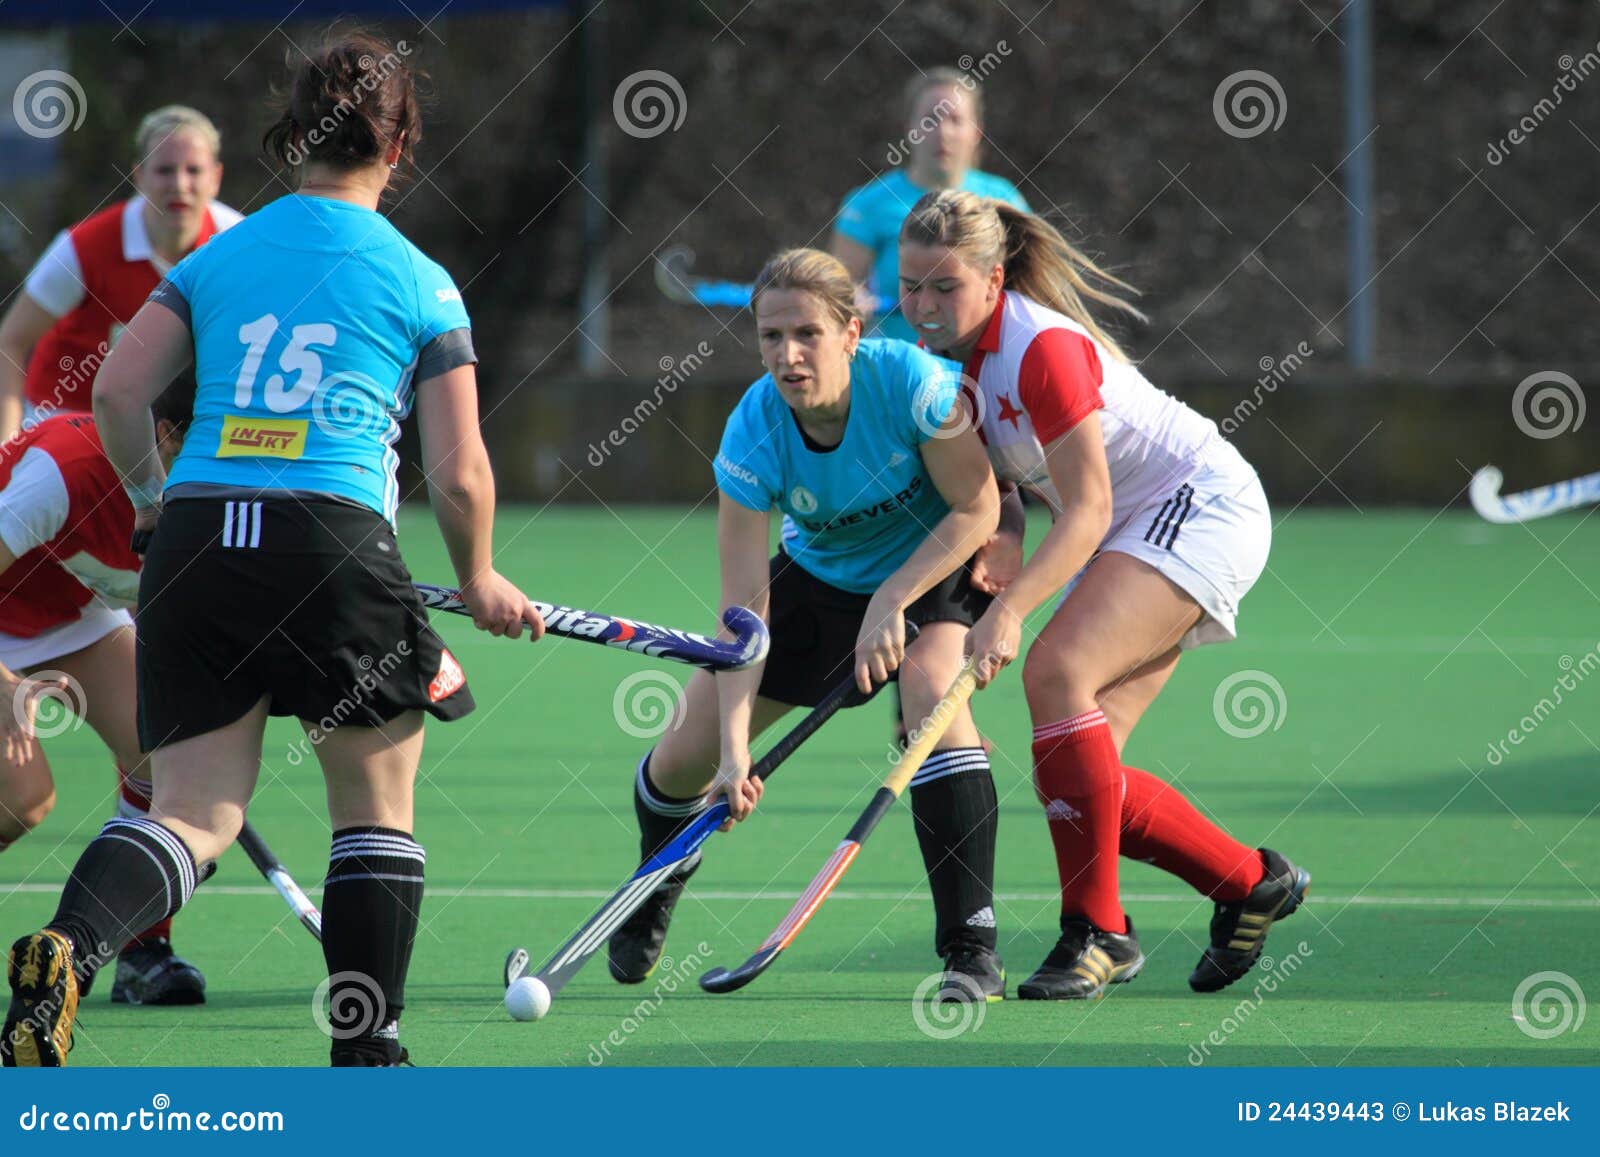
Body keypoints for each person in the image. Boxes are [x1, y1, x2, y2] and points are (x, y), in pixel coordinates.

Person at [2, 28, 544, 1068]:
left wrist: (155, 506)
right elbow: (462, 467)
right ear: (403, 145)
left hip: (201, 539)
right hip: (335, 541)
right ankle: (368, 1049)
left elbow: (118, 390)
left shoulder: (215, 254)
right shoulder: (422, 280)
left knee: (194, 807)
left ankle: (68, 951)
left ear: (291, 136)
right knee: (373, 808)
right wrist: (477, 575)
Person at [898, 190, 1310, 1000]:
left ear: (994, 277)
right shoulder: (938, 361)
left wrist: (1010, 612)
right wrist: (1009, 527)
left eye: (944, 288)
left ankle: (1098, 933)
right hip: (1126, 527)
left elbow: (1087, 508)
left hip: (1197, 504)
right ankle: (1250, 881)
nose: (923, 307)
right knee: (1079, 781)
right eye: (910, 286)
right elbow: (996, 481)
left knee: (1053, 673)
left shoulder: (1042, 349)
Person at [607, 248, 1007, 1002]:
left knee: (931, 700)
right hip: (819, 582)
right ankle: (661, 876)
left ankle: (971, 946)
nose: (787, 356)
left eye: (807, 334)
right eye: (769, 337)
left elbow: (978, 506)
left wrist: (893, 598)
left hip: (932, 565)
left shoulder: (914, 386)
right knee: (682, 755)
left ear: (851, 333)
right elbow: (744, 616)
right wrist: (732, 753)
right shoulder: (752, 435)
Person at [0, 382, 206, 1006]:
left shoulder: (213, 489)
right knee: (22, 797)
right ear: (164, 434)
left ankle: (141, 951)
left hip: (70, 615)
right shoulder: (65, 472)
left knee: (174, 764)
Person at [0, 106, 242, 442]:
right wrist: (7, 446)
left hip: (171, 433)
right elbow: (10, 341)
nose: (180, 185)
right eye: (165, 170)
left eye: (194, 170)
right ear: (139, 176)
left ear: (215, 178)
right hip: (68, 423)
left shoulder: (236, 243)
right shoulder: (83, 247)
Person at [830, 68, 1029, 344]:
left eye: (956, 120)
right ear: (910, 129)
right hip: (902, 373)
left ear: (976, 132)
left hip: (988, 370)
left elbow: (1031, 287)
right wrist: (851, 301)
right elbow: (839, 297)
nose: (942, 132)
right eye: (930, 119)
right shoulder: (867, 204)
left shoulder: (1004, 198)